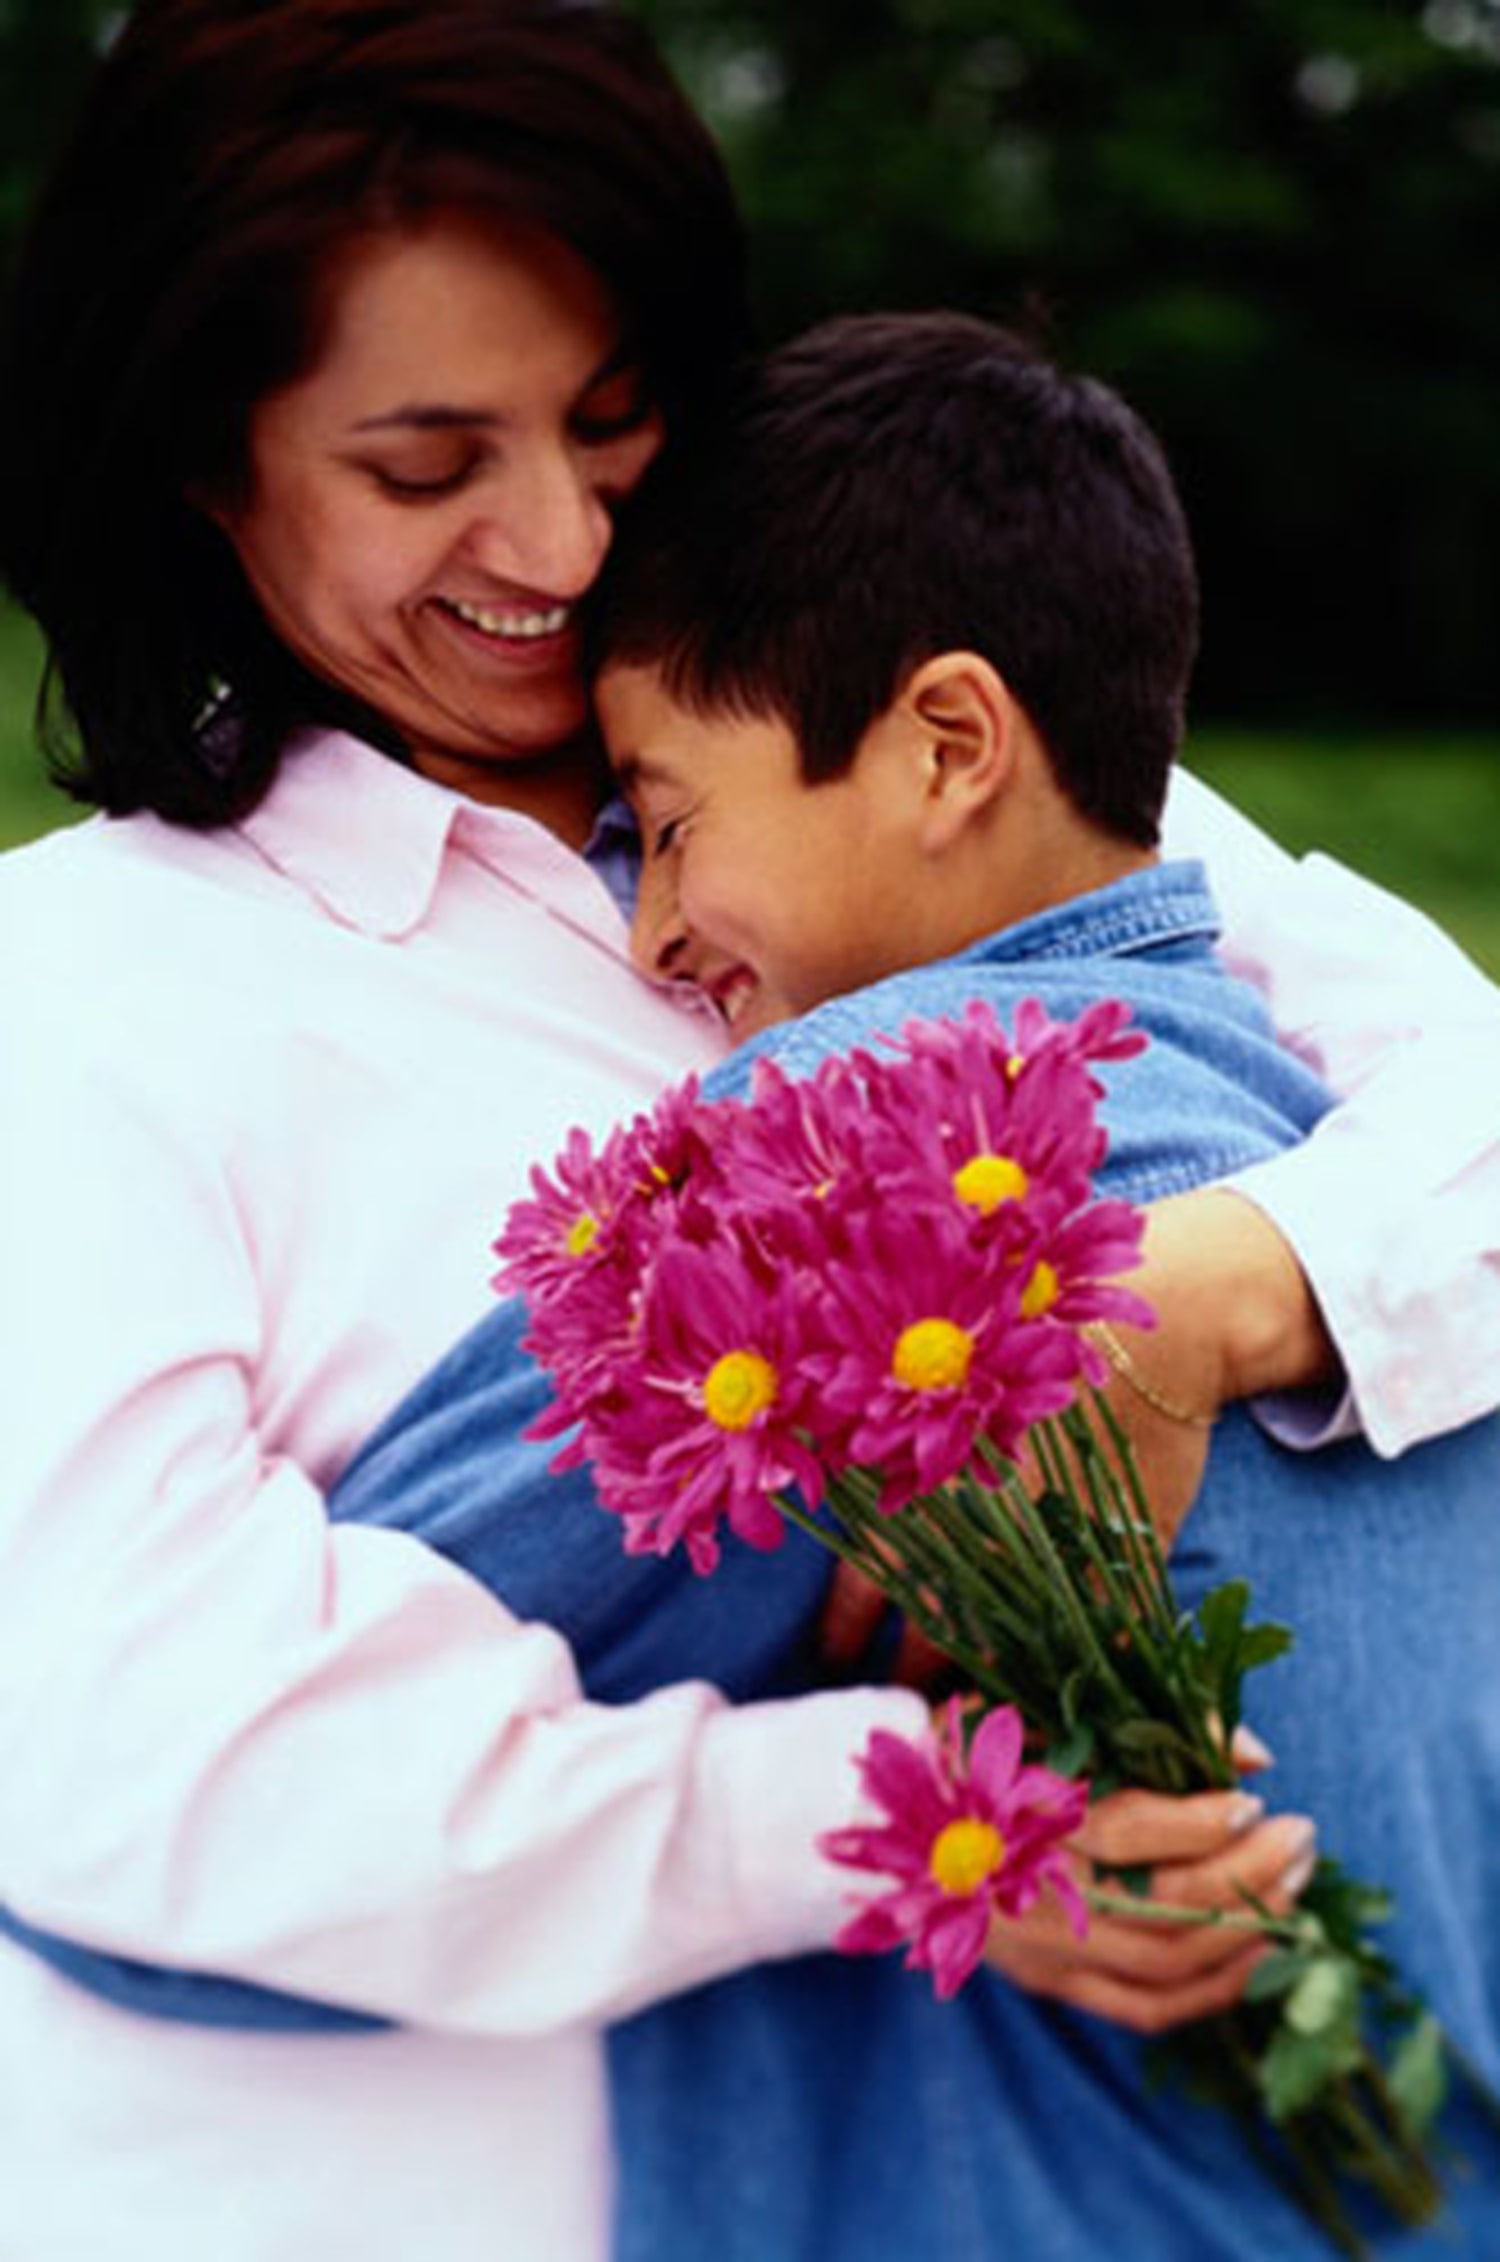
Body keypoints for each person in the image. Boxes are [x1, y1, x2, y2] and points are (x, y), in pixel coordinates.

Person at [0, 0, 1496, 2254]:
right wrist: (906, 1825)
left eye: (614, 424)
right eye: (428, 466)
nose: (564, 537)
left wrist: (1214, 1297)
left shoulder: (906, 757)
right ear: (205, 464)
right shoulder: (92, 990)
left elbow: (1464, 1092)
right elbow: (128, 1759)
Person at [329, 311, 1500, 2257]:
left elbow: (305, 1743)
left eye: (673, 822)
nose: (652, 936)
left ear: (948, 743)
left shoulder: (842, 1138)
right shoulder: (1351, 1141)